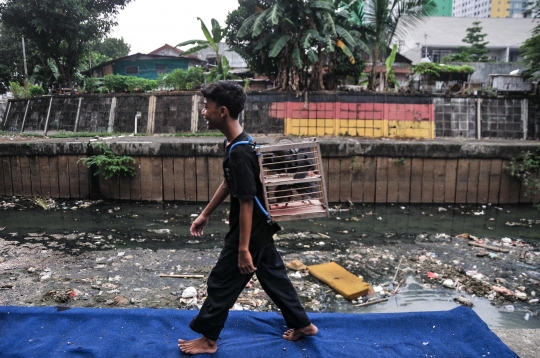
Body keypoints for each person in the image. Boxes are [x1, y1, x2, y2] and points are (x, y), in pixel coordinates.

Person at [178, 81, 317, 354]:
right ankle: (303, 325)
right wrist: (205, 214)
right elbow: (229, 183)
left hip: (250, 231)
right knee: (273, 276)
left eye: (207, 107)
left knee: (222, 281)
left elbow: (245, 202)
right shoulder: (238, 144)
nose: (203, 112)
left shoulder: (240, 152)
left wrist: (242, 249)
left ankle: (208, 340)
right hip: (260, 229)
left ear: (223, 111)